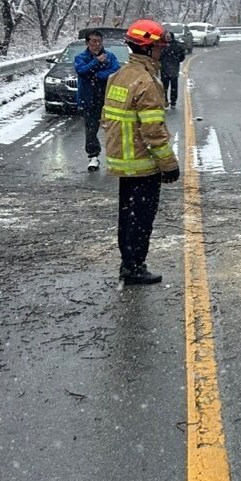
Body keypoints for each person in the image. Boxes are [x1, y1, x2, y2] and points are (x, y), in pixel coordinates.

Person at [102, 18, 181, 286]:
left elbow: (106, 118)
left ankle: (128, 262)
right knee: (141, 219)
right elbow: (153, 131)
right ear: (148, 49)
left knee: (127, 216)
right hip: (142, 163)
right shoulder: (146, 82)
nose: (162, 51)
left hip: (123, 161)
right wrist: (168, 164)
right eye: (159, 47)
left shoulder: (119, 75)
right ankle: (135, 267)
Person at [74, 31, 121, 171]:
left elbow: (116, 70)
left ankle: (115, 154)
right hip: (89, 98)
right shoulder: (81, 57)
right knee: (91, 128)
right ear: (87, 43)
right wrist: (96, 61)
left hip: (108, 97)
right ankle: (93, 156)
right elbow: (81, 71)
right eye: (93, 41)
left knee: (113, 127)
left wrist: (100, 74)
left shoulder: (110, 56)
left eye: (99, 41)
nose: (97, 44)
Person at [159, 29, 186, 108]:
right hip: (174, 68)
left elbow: (159, 57)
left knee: (164, 86)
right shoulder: (177, 46)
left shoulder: (163, 46)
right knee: (173, 86)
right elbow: (181, 57)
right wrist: (176, 60)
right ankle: (173, 101)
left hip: (165, 69)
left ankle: (165, 101)